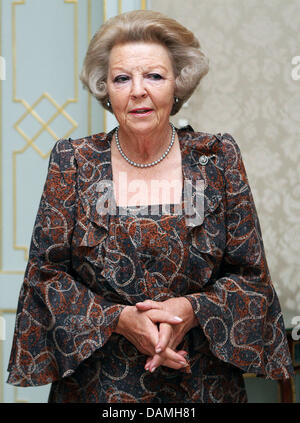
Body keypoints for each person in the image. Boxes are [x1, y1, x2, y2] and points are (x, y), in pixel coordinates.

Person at [7, 10, 294, 403]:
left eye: (154, 76)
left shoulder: (218, 157)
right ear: (105, 89)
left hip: (201, 385)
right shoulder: (74, 161)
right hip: (97, 388)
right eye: (122, 78)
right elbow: (45, 276)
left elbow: (252, 279)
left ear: (178, 84)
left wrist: (190, 310)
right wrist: (120, 320)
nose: (138, 90)